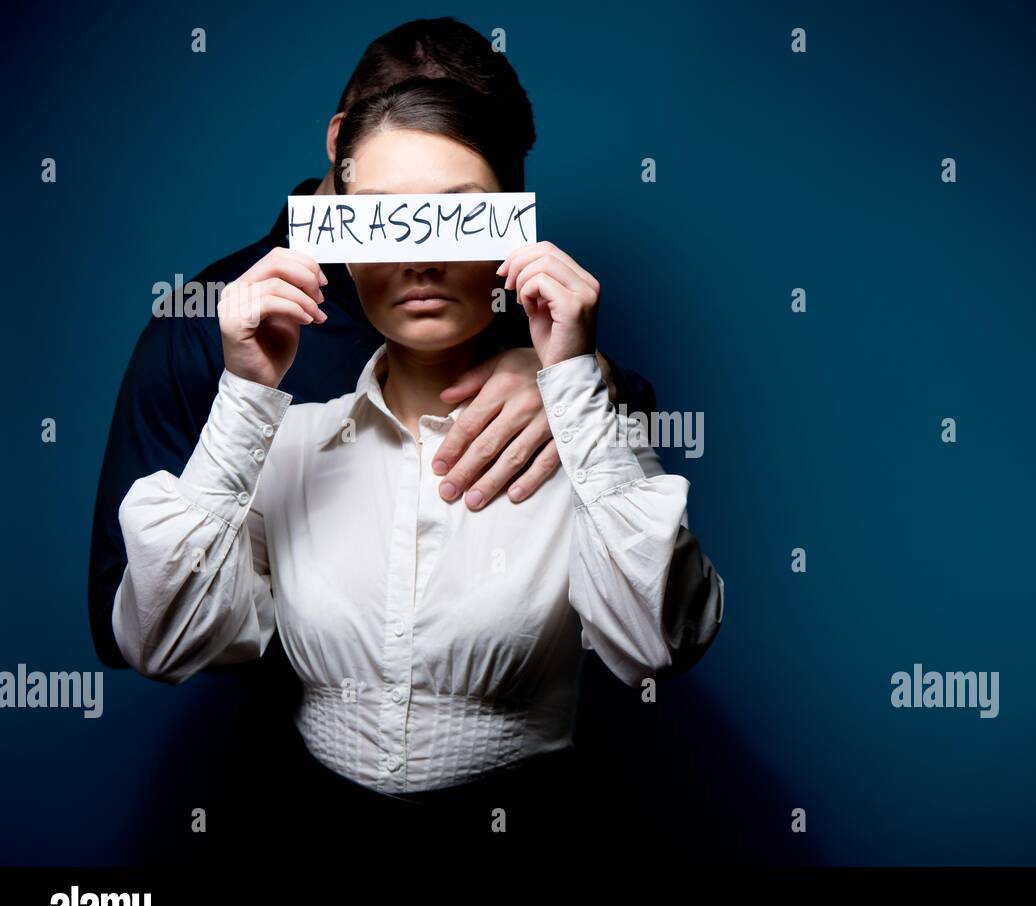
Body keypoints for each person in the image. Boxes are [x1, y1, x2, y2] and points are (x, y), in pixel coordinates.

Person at [110, 76, 725, 860]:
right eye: (383, 218)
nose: (421, 253)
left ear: (509, 235)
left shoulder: (587, 447)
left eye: (458, 212)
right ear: (341, 239)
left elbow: (662, 643)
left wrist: (571, 376)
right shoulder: (290, 446)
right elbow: (158, 641)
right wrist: (243, 396)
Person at [88, 17, 655, 673]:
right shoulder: (198, 326)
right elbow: (124, 619)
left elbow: (625, 527)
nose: (432, 246)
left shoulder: (516, 297)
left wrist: (589, 378)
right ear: (343, 143)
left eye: (469, 199)